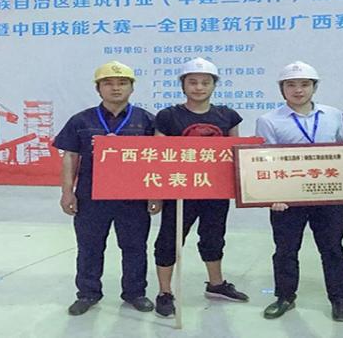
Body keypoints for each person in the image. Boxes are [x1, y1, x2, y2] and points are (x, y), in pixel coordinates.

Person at [53, 61, 157, 316]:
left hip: (133, 197)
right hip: (91, 197)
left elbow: (157, 158)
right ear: (98, 89)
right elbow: (70, 156)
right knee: (89, 247)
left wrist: (156, 193)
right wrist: (67, 192)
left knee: (134, 247)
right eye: (108, 83)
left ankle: (135, 292)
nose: (116, 88)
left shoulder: (146, 121)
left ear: (132, 88)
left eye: (122, 83)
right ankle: (88, 293)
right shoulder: (81, 120)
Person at [150, 57, 249, 319]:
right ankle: (164, 292)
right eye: (192, 82)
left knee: (213, 237)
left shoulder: (227, 116)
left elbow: (235, 155)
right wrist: (156, 194)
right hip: (179, 191)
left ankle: (216, 284)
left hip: (214, 191)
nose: (199, 87)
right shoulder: (168, 116)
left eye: (205, 82)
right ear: (183, 85)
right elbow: (157, 157)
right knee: (169, 240)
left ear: (214, 85)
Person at [255, 61, 343, 322]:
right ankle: (284, 297)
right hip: (287, 200)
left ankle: (339, 299)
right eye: (291, 85)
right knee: (286, 250)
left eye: (305, 84)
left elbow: (342, 150)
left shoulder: (333, 115)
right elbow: (265, 161)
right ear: (282, 89)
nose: (298, 90)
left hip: (328, 195)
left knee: (333, 249)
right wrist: (272, 196)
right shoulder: (268, 120)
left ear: (314, 87)